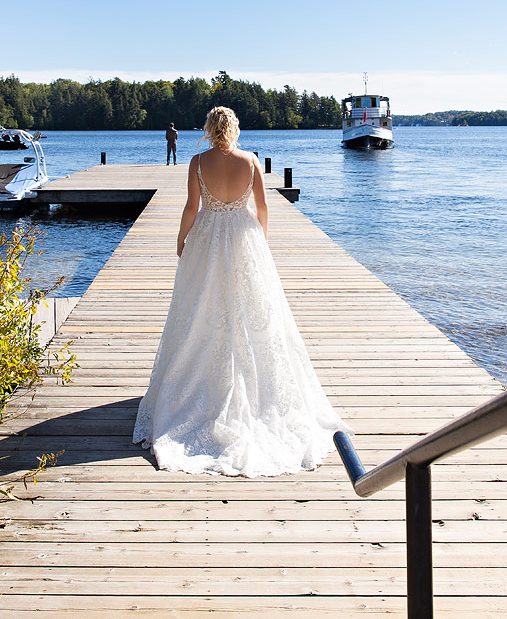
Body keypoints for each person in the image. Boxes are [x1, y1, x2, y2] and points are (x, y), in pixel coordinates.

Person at [133, 106, 349, 476]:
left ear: (208, 129)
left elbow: (191, 206)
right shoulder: (250, 161)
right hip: (244, 237)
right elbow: (262, 207)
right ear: (233, 128)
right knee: (253, 314)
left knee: (203, 308)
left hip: (208, 239)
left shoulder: (198, 162)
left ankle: (201, 381)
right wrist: (260, 241)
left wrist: (181, 237)